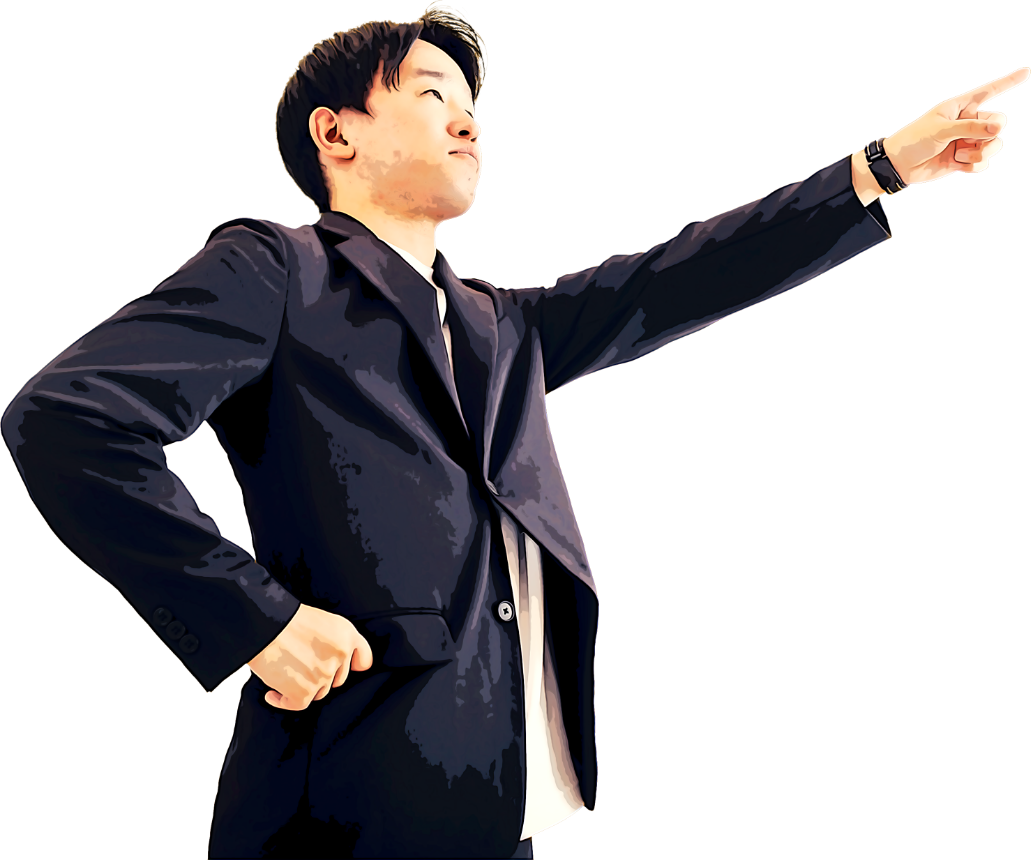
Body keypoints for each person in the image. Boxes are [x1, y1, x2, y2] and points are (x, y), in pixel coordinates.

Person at [2, 2, 1024, 857]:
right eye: (431, 95)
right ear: (336, 134)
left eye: (474, 108)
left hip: (504, 801)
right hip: (353, 801)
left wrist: (878, 168)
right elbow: (69, 419)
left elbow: (674, 278)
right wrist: (256, 619)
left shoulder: (502, 324)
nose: (468, 123)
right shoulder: (277, 270)